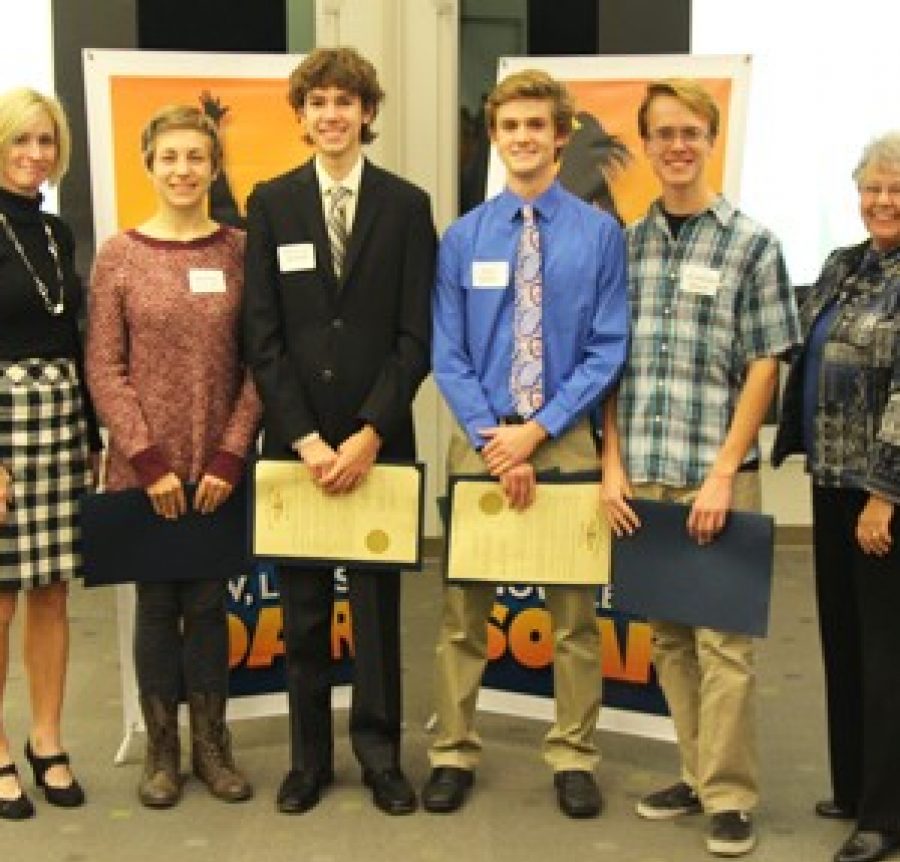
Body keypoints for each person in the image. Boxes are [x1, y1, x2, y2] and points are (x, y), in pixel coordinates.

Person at [600, 79, 800, 856]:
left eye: (691, 132)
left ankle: (731, 796)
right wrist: (611, 462)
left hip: (715, 470)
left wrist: (724, 470)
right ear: (645, 145)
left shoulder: (753, 243)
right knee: (671, 640)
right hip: (642, 470)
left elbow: (765, 365)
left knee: (725, 644)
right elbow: (606, 363)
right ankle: (694, 769)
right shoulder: (626, 243)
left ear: (711, 139)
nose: (677, 146)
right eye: (663, 134)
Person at [426, 69, 628, 819]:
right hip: (479, 444)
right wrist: (494, 441)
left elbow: (608, 349)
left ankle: (573, 754)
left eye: (536, 126)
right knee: (461, 613)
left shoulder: (601, 235)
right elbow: (448, 352)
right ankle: (452, 749)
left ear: (561, 134)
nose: (523, 139)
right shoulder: (464, 238)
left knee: (575, 618)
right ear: (494, 136)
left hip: (566, 441)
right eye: (510, 127)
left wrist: (536, 433)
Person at [242, 47, 435, 816]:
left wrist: (365, 433)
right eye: (317, 103)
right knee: (305, 610)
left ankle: (382, 757)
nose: (331, 115)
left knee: (380, 613)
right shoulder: (271, 202)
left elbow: (414, 335)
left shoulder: (407, 205)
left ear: (367, 113)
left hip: (377, 446)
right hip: (299, 449)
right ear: (301, 116)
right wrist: (308, 439)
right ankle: (308, 761)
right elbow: (262, 335)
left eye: (345, 103)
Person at [87, 105, 261, 808]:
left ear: (214, 166)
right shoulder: (118, 255)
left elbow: (260, 365)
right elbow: (103, 366)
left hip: (218, 464)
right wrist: (147, 459)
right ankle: (162, 752)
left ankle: (213, 748)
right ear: (149, 165)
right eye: (170, 157)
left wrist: (228, 455)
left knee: (210, 604)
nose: (183, 170)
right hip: (145, 467)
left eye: (197, 157)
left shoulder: (240, 252)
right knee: (157, 606)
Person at [772, 133, 900, 862]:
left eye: (895, 190)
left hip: (882, 496)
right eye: (872, 188)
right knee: (843, 640)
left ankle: (885, 813)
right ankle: (852, 786)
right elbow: (801, 343)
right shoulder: (844, 265)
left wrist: (885, 493)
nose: (881, 202)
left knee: (888, 656)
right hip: (830, 481)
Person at [0, 87, 102, 821]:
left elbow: (75, 339)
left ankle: (46, 738)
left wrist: (92, 435)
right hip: (2, 423)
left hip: (60, 418)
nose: (35, 155)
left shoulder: (58, 233)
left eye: (46, 141)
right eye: (20, 141)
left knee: (52, 593)